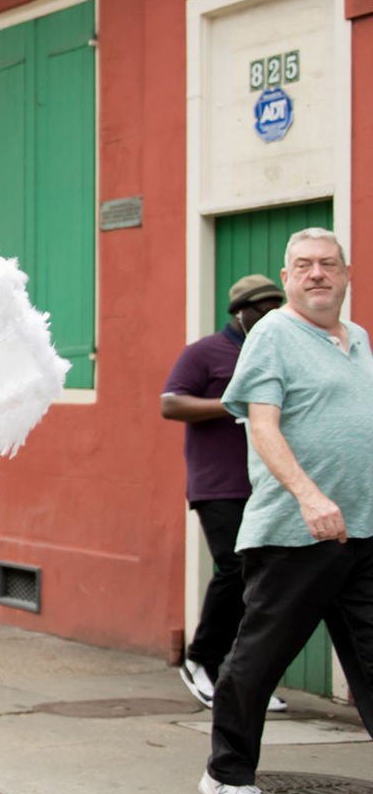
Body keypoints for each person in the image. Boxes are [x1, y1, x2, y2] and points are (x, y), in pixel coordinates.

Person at [200, 228, 373, 794]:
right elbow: (262, 426)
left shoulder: (359, 341)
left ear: (347, 274)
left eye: (328, 264)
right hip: (294, 532)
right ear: (288, 275)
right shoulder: (273, 334)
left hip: (362, 531)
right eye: (303, 266)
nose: (317, 274)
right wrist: (308, 496)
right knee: (260, 657)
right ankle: (226, 776)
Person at [162, 274, 286, 709]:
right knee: (236, 568)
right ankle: (202, 661)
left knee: (270, 578)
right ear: (240, 311)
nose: (272, 314)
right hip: (219, 484)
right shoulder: (205, 353)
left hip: (272, 482)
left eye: (277, 306)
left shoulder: (279, 350)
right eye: (262, 308)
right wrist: (233, 404)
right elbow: (171, 403)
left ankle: (246, 681)